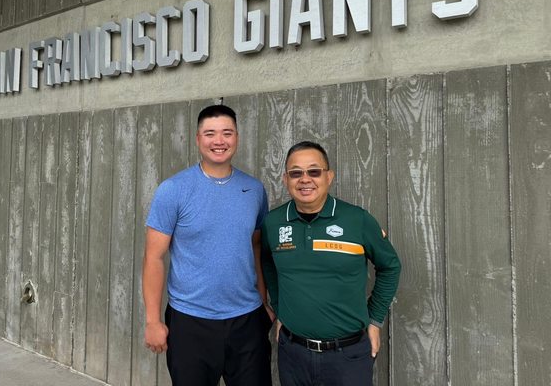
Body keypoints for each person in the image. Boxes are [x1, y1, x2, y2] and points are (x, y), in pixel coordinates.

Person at [142, 104, 274, 386]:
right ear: (197, 139)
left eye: (227, 133)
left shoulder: (254, 189)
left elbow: (256, 248)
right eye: (210, 133)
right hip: (190, 321)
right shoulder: (173, 190)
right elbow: (153, 257)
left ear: (237, 137)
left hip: (247, 320)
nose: (219, 141)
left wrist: (263, 303)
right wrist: (153, 321)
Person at [261, 141, 401, 386]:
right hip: (293, 354)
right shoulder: (273, 223)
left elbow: (390, 266)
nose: (305, 179)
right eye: (296, 173)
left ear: (329, 176)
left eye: (314, 171)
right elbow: (268, 263)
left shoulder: (357, 220)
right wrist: (281, 308)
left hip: (348, 356)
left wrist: (375, 320)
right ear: (285, 179)